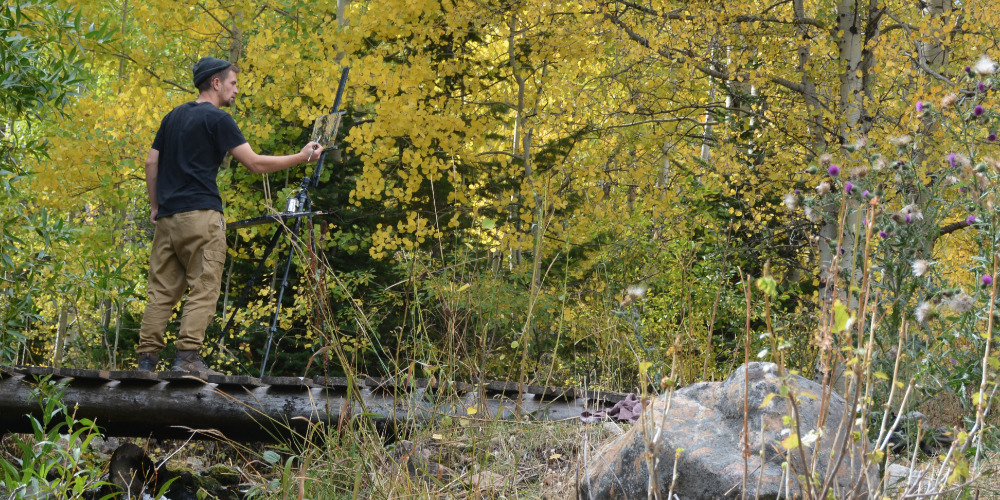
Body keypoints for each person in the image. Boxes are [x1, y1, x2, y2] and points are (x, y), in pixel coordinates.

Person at [136, 56, 323, 374]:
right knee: (204, 285)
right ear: (216, 82)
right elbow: (255, 164)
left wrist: (155, 207)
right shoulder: (218, 120)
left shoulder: (172, 118)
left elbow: (151, 164)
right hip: (201, 218)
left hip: (167, 221)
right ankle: (187, 359)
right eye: (233, 83)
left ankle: (146, 361)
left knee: (161, 291)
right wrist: (303, 157)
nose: (237, 90)